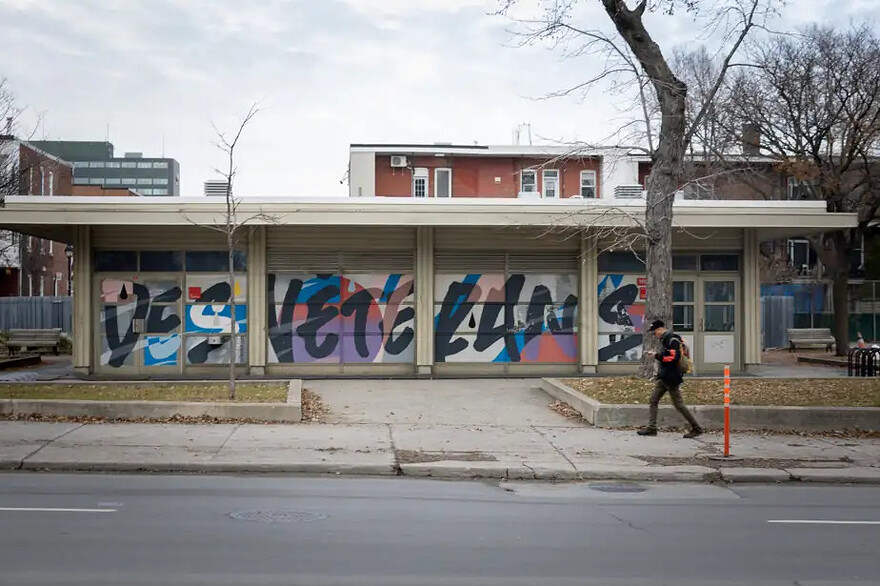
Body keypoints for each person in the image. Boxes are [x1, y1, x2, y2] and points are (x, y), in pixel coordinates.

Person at [637, 320, 703, 439]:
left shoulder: (671, 340)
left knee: (679, 405)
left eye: (655, 332)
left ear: (660, 329)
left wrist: (656, 356)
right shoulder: (665, 340)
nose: (654, 335)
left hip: (672, 378)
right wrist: (657, 354)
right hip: (664, 377)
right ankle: (652, 428)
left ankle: (696, 428)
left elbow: (673, 358)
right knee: (653, 400)